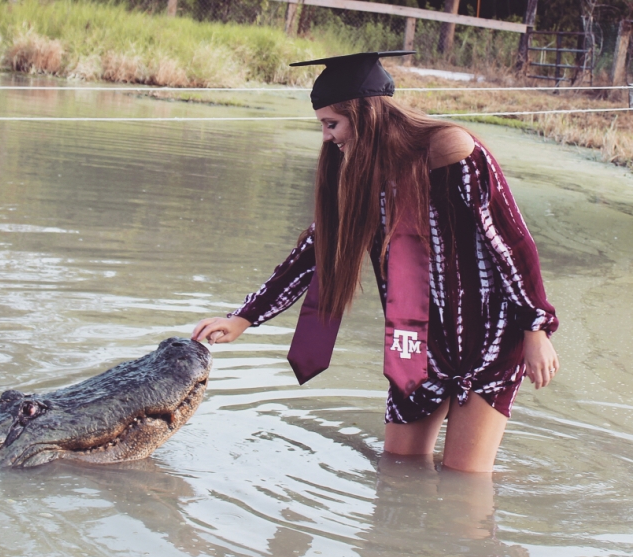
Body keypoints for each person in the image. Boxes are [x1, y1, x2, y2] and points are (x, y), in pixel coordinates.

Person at [191, 51, 559, 473]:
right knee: (397, 472)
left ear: (363, 115)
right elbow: (317, 249)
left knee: (464, 483)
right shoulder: (362, 176)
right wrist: (244, 317)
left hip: (489, 341)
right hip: (417, 344)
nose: (328, 137)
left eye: (332, 124)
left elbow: (510, 244)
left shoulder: (453, 153)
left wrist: (536, 328)